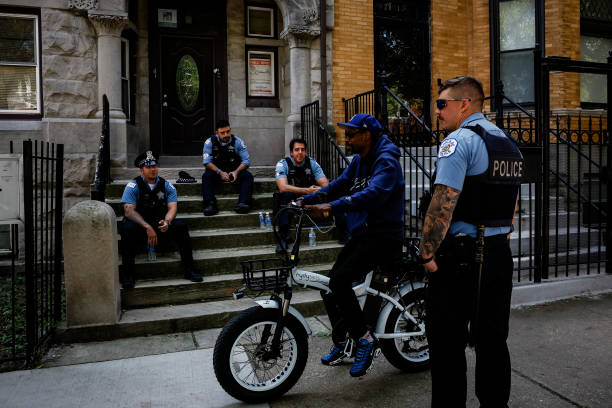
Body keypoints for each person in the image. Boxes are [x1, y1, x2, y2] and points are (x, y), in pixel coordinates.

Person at [419, 76, 522, 407]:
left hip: (460, 260)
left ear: (464, 104)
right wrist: (498, 237)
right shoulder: (508, 143)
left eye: (441, 104)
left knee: (446, 343)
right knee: (493, 340)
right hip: (497, 255)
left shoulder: (458, 141)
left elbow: (442, 202)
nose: (437, 112)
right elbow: (513, 203)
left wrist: (427, 254)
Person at [301, 113, 405, 378]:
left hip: (383, 237)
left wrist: (331, 207)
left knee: (339, 282)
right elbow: (339, 185)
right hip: (364, 234)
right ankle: (344, 340)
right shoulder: (359, 160)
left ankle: (365, 340)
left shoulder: (387, 161)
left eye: (351, 133)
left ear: (367, 135)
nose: (346, 138)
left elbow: (373, 195)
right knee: (330, 286)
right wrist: (308, 200)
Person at [120, 151, 203, 289]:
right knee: (127, 228)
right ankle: (128, 275)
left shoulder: (166, 185)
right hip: (140, 227)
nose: (153, 169)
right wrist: (147, 227)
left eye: (155, 166)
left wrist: (168, 221)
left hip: (160, 225)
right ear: (142, 170)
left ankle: (190, 270)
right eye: (149, 167)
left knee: (181, 227)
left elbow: (173, 208)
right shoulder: (133, 186)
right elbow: (128, 211)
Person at [274, 138, 329, 253]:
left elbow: (325, 183)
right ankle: (282, 238)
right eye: (297, 150)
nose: (300, 152)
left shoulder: (312, 163)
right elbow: (283, 187)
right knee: (283, 194)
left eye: (303, 150)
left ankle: (344, 232)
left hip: (306, 198)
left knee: (330, 193)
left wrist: (319, 188)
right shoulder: (283, 163)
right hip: (290, 197)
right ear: (291, 152)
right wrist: (307, 191)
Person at [202, 119, 254, 215]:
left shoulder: (238, 142)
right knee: (206, 176)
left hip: (234, 171)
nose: (226, 135)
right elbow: (206, 162)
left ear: (230, 129)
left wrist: (236, 172)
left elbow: (246, 161)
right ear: (217, 133)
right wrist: (220, 172)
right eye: (222, 133)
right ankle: (210, 204)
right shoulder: (209, 142)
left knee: (248, 176)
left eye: (228, 131)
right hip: (217, 172)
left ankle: (243, 203)